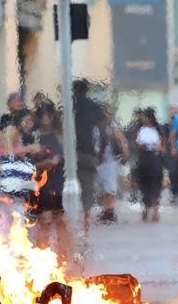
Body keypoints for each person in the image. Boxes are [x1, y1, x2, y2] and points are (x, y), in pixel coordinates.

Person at [31, 101, 70, 263]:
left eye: (48, 115)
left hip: (59, 181)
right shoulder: (34, 136)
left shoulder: (60, 135)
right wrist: (47, 163)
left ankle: (63, 254)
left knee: (60, 220)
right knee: (45, 221)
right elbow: (30, 162)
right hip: (41, 184)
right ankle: (41, 256)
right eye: (43, 116)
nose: (46, 119)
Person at [73, 79, 108, 230]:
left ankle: (72, 216)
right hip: (88, 152)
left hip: (70, 152)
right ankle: (85, 216)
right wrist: (101, 150)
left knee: (68, 184)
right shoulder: (94, 107)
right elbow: (103, 129)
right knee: (87, 185)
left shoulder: (69, 107)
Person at [0, 110, 41, 216]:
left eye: (31, 122)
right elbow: (8, 152)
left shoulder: (21, 135)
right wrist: (29, 148)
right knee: (14, 214)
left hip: (12, 182)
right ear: (19, 120)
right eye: (26, 121)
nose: (29, 125)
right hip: (11, 181)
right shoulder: (13, 129)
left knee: (9, 215)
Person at [95, 104, 129, 224]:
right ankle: (106, 210)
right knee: (103, 187)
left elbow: (120, 138)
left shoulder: (112, 125)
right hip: (99, 160)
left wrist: (125, 151)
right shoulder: (95, 126)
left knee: (110, 187)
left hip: (110, 160)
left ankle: (109, 211)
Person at [133, 107, 166, 222]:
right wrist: (143, 145)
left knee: (156, 184)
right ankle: (146, 208)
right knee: (144, 184)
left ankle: (155, 208)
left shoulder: (158, 130)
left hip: (155, 159)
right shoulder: (140, 130)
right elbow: (137, 145)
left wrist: (157, 146)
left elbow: (163, 147)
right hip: (144, 158)